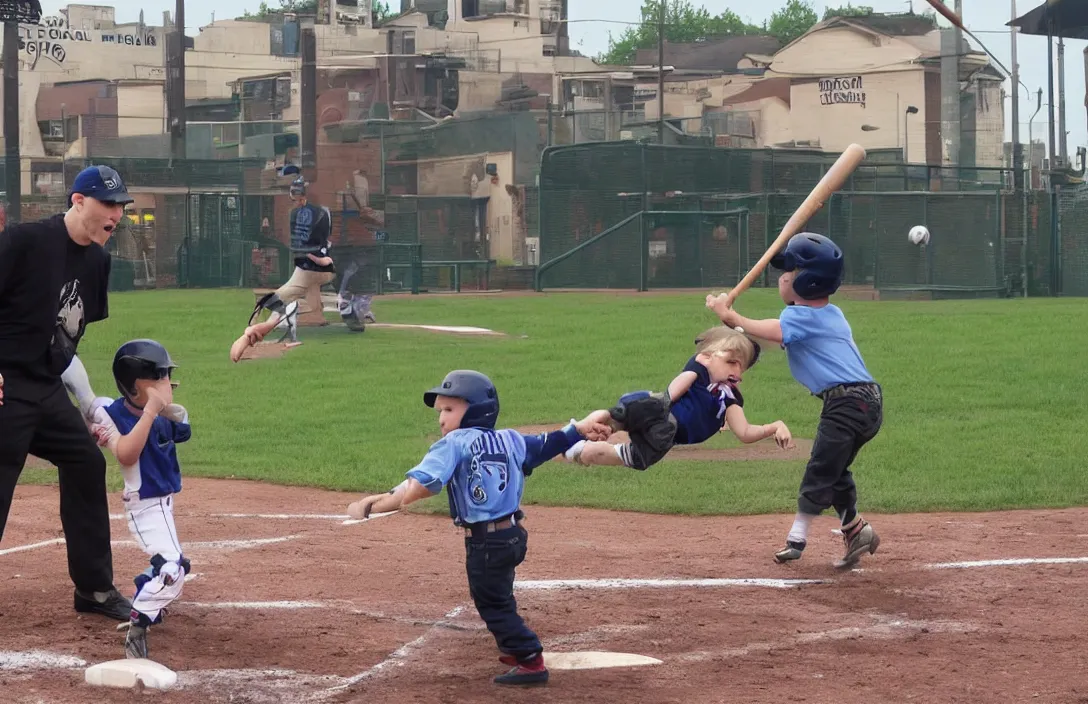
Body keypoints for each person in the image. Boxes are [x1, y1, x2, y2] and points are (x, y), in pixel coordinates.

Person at [345, 370, 613, 686]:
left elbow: (421, 486)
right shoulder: (510, 439)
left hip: (486, 542)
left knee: (491, 602)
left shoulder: (453, 444)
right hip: (513, 536)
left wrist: (376, 505)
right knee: (498, 591)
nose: (441, 419)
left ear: (473, 410)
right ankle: (517, 647)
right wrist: (579, 429)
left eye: (449, 410)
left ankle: (529, 659)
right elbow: (550, 443)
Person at [0, 164, 135, 620]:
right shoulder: (23, 241)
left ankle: (93, 590)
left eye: (120, 206)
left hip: (45, 387)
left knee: (84, 462)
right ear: (78, 201)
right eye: (107, 203)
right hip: (6, 384)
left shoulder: (97, 260)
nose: (115, 214)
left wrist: (88, 401)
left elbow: (64, 339)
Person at [706, 232, 883, 569]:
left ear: (809, 282)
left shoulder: (798, 319)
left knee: (819, 467)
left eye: (789, 271)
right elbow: (767, 337)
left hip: (847, 404)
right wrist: (734, 323)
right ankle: (856, 530)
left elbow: (766, 329)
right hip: (865, 403)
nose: (783, 277)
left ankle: (797, 539)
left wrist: (728, 314)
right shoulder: (830, 315)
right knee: (835, 470)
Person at [563, 326, 793, 470]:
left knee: (626, 455)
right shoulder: (699, 369)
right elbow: (682, 380)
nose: (737, 371)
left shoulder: (729, 398)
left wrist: (773, 426)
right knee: (614, 417)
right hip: (658, 412)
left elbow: (744, 432)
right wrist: (665, 401)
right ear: (706, 357)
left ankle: (576, 450)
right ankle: (580, 429)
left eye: (741, 366)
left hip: (665, 434)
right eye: (730, 362)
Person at [89, 340, 192, 659]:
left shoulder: (166, 416)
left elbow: (182, 425)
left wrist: (159, 407)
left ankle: (147, 601)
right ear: (135, 387)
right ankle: (139, 622)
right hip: (144, 504)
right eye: (159, 376)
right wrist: (148, 410)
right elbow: (126, 453)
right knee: (174, 570)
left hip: (163, 504)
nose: (167, 383)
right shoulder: (115, 415)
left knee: (168, 562)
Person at [230, 169, 335, 361]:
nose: (296, 199)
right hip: (324, 269)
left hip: (309, 270)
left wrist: (310, 254)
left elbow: (304, 245)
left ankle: (253, 331)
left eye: (297, 195)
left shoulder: (300, 213)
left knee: (271, 301)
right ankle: (302, 313)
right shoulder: (320, 212)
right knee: (312, 305)